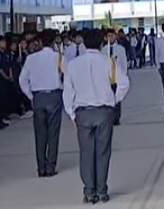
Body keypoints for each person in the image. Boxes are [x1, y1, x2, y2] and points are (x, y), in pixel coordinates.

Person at [62, 29, 130, 204]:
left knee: (86, 152)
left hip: (82, 112)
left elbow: (68, 91)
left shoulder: (73, 64)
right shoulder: (109, 62)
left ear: (83, 42)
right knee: (103, 151)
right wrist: (114, 100)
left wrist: (71, 113)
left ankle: (89, 191)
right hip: (103, 111)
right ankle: (102, 190)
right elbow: (123, 84)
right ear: (101, 43)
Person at [18, 32, 64, 178]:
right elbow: (67, 75)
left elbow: (22, 80)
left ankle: (41, 167)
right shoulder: (59, 57)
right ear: (53, 43)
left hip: (38, 96)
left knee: (40, 133)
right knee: (53, 133)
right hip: (54, 95)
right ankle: (51, 165)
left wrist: (30, 95)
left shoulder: (31, 58)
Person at [102, 31, 128, 126]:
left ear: (115, 36)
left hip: (117, 76)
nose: (110, 37)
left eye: (112, 35)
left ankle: (117, 117)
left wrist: (124, 75)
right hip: (107, 78)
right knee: (108, 97)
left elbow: (124, 62)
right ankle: (109, 117)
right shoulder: (103, 50)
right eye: (108, 35)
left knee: (117, 97)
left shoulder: (120, 49)